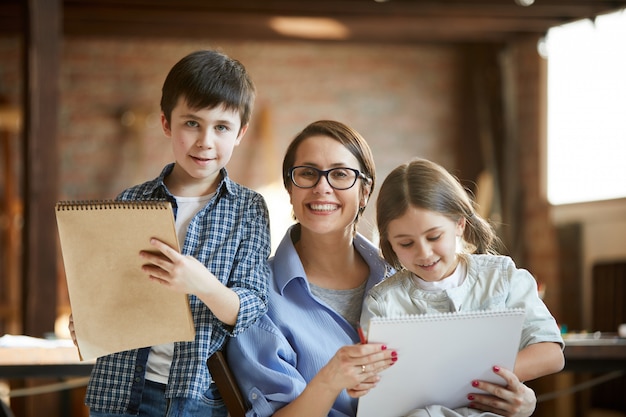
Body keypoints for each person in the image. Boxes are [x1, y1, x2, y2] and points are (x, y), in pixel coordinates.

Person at [226, 120, 538, 417]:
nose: (322, 187)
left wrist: (518, 402)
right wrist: (330, 380)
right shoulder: (256, 298)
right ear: (290, 189)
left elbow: (453, 376)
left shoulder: (412, 273)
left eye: (340, 174)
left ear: (364, 191)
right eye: (307, 173)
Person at [70, 50, 271, 417]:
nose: (205, 141)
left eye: (221, 127)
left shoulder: (249, 208)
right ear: (166, 123)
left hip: (197, 396)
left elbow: (252, 308)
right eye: (191, 123)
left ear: (241, 132)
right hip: (120, 388)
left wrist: (201, 283)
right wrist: (88, 317)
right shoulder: (132, 200)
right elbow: (111, 289)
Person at [361, 157, 565, 416]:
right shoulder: (383, 301)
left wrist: (469, 378)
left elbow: (551, 353)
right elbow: (378, 383)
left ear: (459, 224)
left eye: (434, 236)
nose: (424, 253)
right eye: (406, 243)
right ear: (389, 242)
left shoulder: (502, 277)